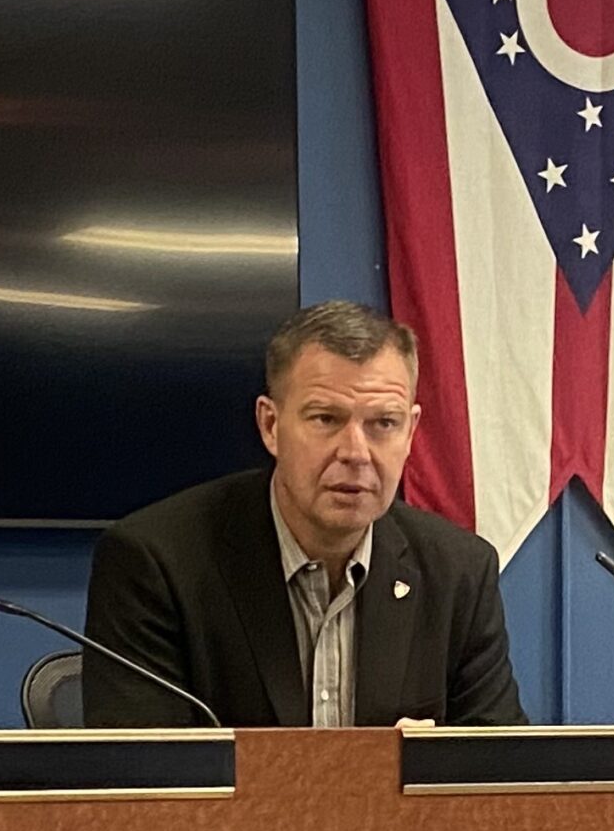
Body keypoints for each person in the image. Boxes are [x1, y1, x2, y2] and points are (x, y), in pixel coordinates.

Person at [83, 300, 524, 728]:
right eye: (326, 419)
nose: (356, 453)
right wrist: (371, 775)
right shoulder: (156, 563)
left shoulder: (459, 571)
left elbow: (502, 777)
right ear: (270, 426)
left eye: (383, 424)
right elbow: (143, 786)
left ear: (411, 432)